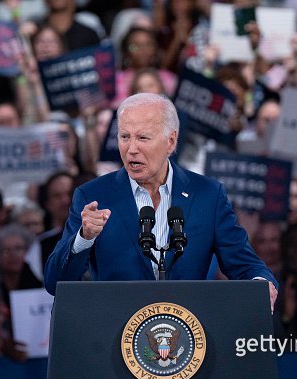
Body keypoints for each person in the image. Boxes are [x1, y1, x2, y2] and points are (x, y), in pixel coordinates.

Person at [44, 93, 277, 310]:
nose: (131, 149)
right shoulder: (92, 196)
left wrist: (261, 283)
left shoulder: (208, 195)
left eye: (143, 138)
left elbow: (244, 264)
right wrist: (83, 239)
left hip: (190, 334)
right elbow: (56, 283)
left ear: (170, 142)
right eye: (125, 137)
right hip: (117, 336)